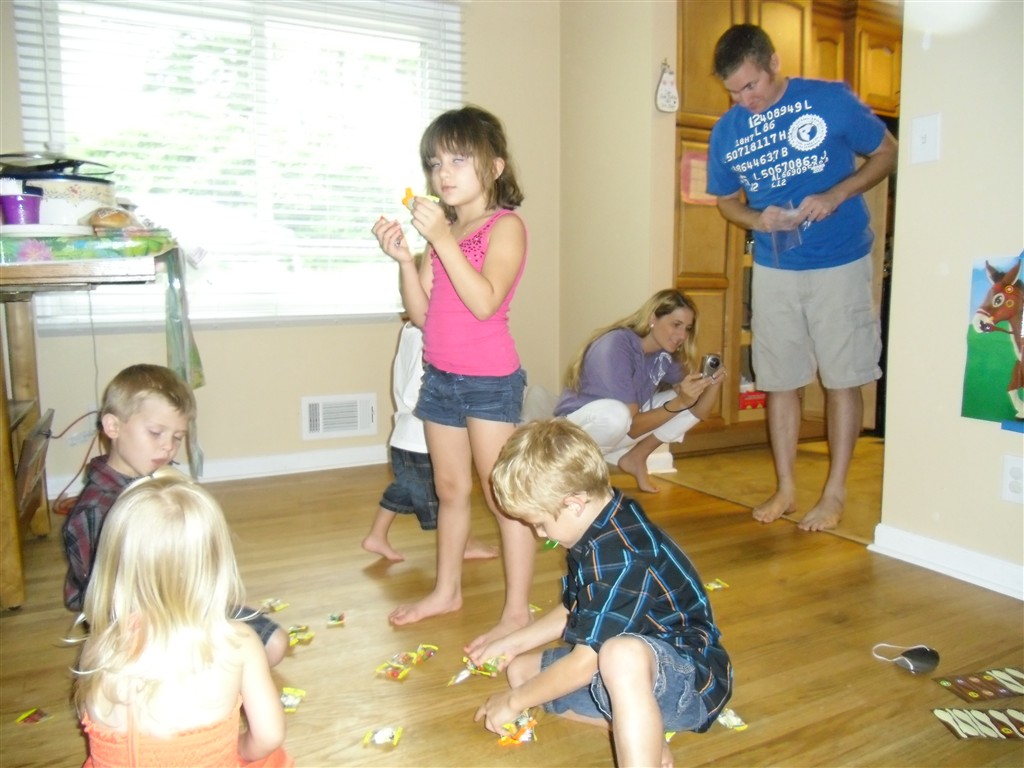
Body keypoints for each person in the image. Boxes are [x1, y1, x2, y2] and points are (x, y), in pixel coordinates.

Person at [706, 24, 898, 532]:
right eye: (733, 92)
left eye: (751, 86)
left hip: (840, 261)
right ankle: (787, 488)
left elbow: (887, 151)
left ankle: (834, 493)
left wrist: (837, 194)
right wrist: (757, 219)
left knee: (842, 378)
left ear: (773, 63)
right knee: (780, 381)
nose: (744, 101)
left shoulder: (830, 100)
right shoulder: (727, 130)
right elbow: (726, 201)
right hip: (775, 266)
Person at [472, 419, 732, 768]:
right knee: (521, 672)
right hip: (631, 670)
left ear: (574, 503)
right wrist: (512, 644)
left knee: (617, 655)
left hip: (688, 682)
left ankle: (642, 742)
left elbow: (585, 663)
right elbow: (576, 608)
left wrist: (513, 702)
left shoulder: (622, 553)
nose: (538, 534)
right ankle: (643, 733)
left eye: (540, 524)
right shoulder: (596, 525)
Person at [371, 105, 534, 646]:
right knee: (449, 489)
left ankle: (517, 612)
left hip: (489, 381)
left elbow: (485, 303)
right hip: (440, 377)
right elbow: (421, 315)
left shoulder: (505, 226)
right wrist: (404, 259)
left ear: (494, 167)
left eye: (458, 160)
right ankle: (447, 591)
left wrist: (441, 240)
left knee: (501, 494)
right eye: (435, 162)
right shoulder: (445, 230)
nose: (443, 173)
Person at [61, 363, 288, 667]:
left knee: (275, 643)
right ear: (113, 427)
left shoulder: (164, 483)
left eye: (178, 437)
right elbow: (102, 607)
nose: (168, 446)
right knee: (246, 655)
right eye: (155, 433)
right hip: (139, 625)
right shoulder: (95, 512)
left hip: (183, 601)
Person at [71, 468, 293, 768]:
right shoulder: (239, 641)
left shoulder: (99, 645)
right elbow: (269, 736)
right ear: (215, 565)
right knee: (273, 759)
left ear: (114, 563)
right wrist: (240, 749)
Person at [553, 289, 726, 493]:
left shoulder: (663, 354)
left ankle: (636, 457)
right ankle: (575, 472)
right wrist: (680, 402)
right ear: (653, 318)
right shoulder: (617, 344)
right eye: (676, 324)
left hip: (615, 429)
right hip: (571, 432)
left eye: (687, 328)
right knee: (619, 414)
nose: (682, 335)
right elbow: (632, 427)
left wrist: (713, 383)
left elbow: (699, 412)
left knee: (685, 399)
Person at [361, 320, 498, 562]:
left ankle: (376, 535)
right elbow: (427, 387)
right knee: (452, 495)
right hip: (425, 436)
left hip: (408, 435)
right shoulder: (429, 335)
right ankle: (464, 545)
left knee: (406, 488)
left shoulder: (411, 331)